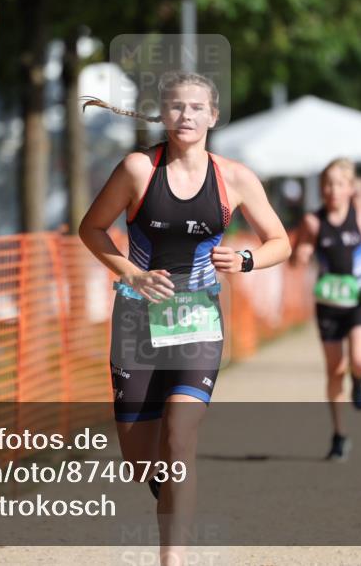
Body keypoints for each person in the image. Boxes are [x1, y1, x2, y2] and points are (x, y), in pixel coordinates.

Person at [78, 72, 290, 563]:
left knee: (180, 438)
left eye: (197, 108)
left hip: (198, 323)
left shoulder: (234, 178)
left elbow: (280, 240)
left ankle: (173, 556)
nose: (186, 116)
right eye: (176, 107)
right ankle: (174, 499)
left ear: (213, 116)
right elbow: (91, 228)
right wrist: (132, 274)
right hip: (136, 323)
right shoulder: (137, 170)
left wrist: (246, 260)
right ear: (162, 113)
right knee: (140, 462)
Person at [289, 158, 361, 461]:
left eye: (339, 184)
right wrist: (301, 256)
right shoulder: (312, 222)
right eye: (327, 184)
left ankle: (360, 379)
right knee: (334, 371)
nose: (332, 190)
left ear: (350, 188)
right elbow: (295, 257)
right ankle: (340, 435)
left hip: (357, 300)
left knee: (359, 360)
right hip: (328, 306)